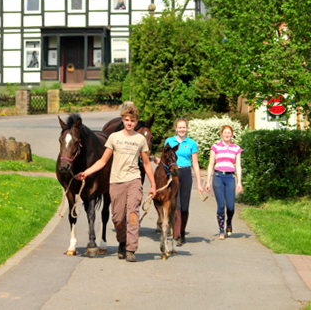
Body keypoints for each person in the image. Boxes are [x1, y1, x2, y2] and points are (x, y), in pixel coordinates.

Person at [76, 105, 156, 262]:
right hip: (116, 182)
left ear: (136, 122)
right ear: (123, 121)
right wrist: (87, 172)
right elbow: (103, 160)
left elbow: (146, 163)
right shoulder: (114, 137)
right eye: (126, 120)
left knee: (132, 214)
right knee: (118, 219)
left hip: (134, 180)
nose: (129, 123)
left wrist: (153, 185)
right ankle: (122, 242)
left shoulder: (140, 139)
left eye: (132, 120)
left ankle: (131, 249)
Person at [164, 118, 203, 246]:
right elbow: (165, 159)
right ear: (176, 128)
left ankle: (182, 231)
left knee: (185, 207)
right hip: (173, 173)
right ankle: (177, 236)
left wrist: (199, 183)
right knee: (177, 206)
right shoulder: (169, 141)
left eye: (184, 127)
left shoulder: (191, 143)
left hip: (186, 173)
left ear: (186, 128)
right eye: (179, 127)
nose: (182, 129)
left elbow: (195, 164)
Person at [205, 125, 243, 239]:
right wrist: (208, 181)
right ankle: (221, 230)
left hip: (230, 177)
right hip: (218, 176)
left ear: (232, 134)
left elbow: (238, 166)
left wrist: (239, 182)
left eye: (229, 133)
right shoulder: (215, 147)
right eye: (225, 133)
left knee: (230, 206)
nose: (227, 135)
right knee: (220, 205)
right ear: (221, 134)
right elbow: (211, 164)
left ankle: (229, 223)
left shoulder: (236, 148)